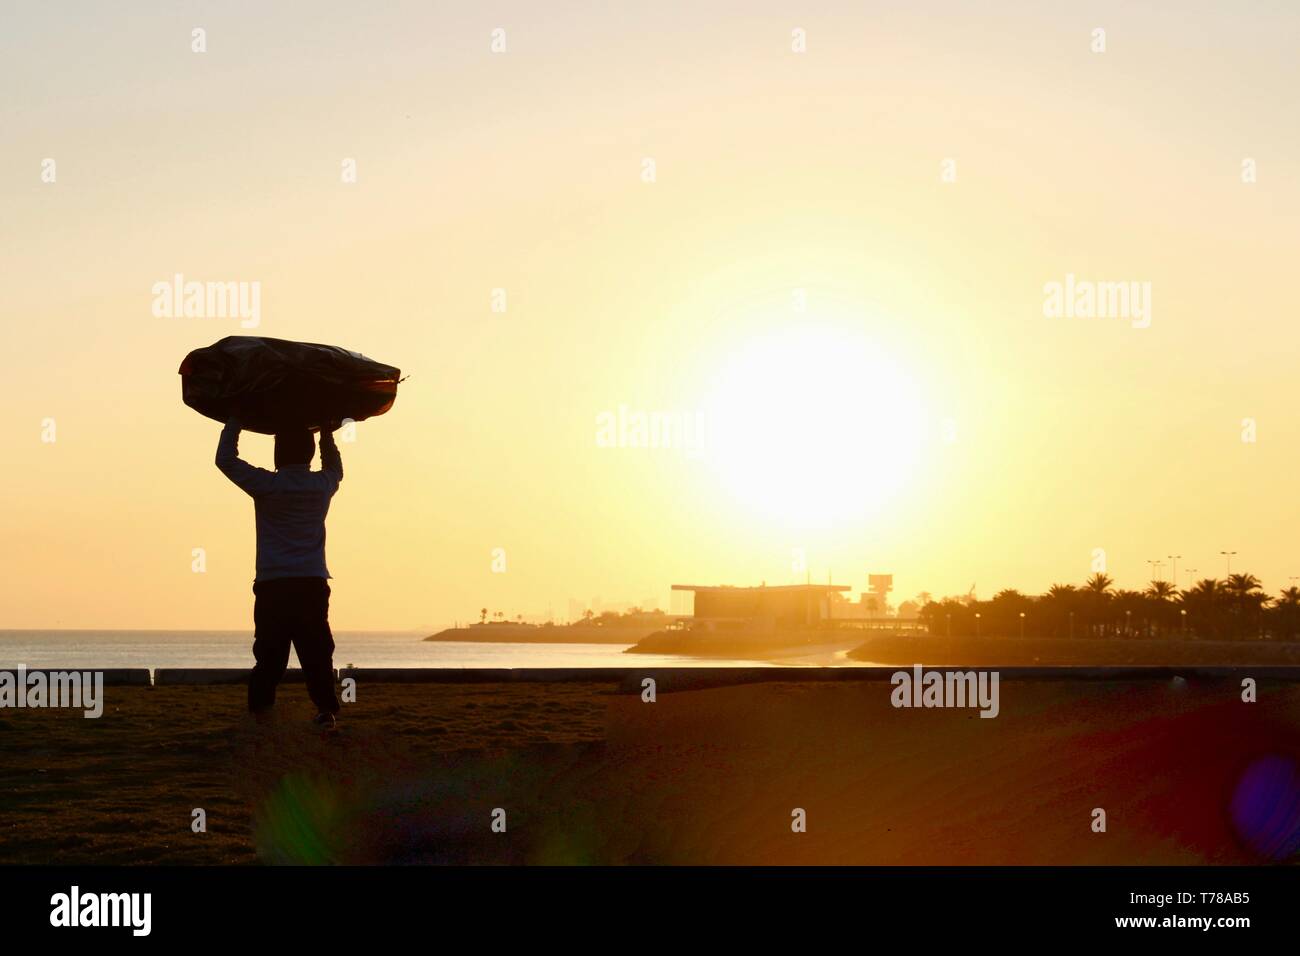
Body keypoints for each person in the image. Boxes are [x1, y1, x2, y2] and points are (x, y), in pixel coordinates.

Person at [216, 417, 344, 730]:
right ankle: (326, 712)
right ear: (310, 454)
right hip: (312, 582)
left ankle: (260, 714)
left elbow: (225, 460)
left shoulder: (267, 485)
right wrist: (326, 432)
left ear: (277, 455)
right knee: (317, 652)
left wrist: (236, 420)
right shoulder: (320, 486)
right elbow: (335, 468)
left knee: (270, 655)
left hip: (274, 584)